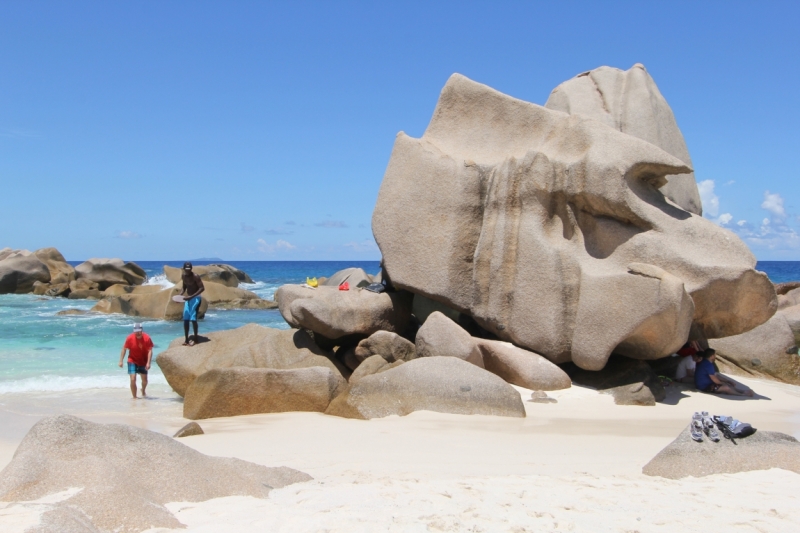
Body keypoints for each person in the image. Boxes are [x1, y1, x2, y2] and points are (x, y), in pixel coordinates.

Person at [118, 323, 153, 399]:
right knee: (133, 379)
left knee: (145, 381)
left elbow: (150, 350)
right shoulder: (130, 338)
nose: (137, 333)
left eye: (139, 331)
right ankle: (134, 397)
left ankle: (143, 390)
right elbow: (124, 349)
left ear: (141, 330)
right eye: (136, 331)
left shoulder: (147, 338)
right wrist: (121, 361)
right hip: (132, 360)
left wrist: (148, 362)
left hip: (143, 361)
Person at [180, 262, 205, 346]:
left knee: (193, 319)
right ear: (183, 269)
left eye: (189, 269)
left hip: (196, 298)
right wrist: (179, 296)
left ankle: (196, 339)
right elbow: (184, 287)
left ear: (191, 268)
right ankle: (186, 339)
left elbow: (202, 288)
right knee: (186, 318)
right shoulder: (183, 276)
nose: (188, 271)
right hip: (188, 298)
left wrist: (191, 297)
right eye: (186, 269)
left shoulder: (195, 276)